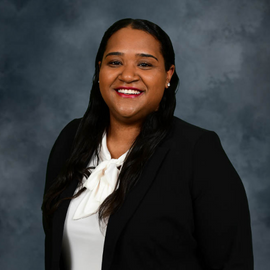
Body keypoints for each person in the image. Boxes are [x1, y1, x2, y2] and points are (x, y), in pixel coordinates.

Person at [42, 18, 253, 270]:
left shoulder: (198, 151)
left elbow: (231, 262)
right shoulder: (71, 139)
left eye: (144, 64)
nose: (128, 75)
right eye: (115, 62)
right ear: (100, 71)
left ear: (168, 75)